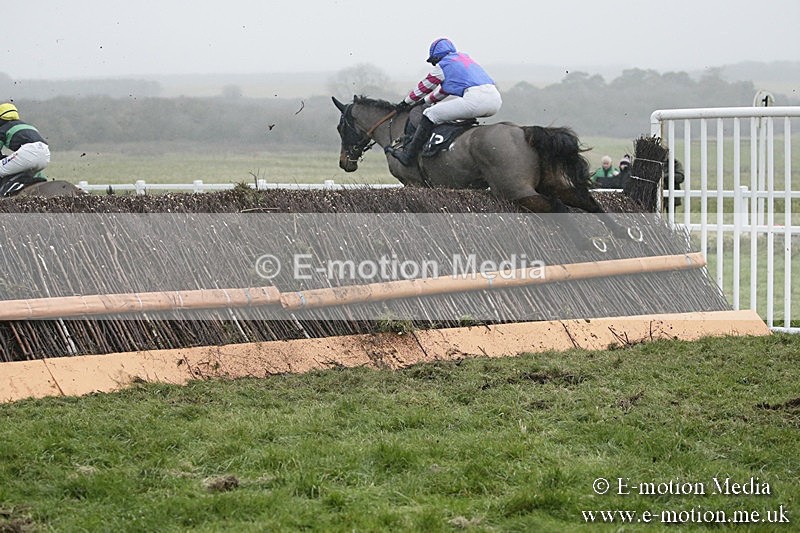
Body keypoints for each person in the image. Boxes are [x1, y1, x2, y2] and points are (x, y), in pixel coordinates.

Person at [385, 38, 502, 167]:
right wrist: (425, 101)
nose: (435, 65)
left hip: (475, 100)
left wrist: (405, 103)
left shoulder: (443, 65)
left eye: (434, 62)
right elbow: (444, 91)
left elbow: (424, 87)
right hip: (495, 100)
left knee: (429, 113)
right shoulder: (463, 59)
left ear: (437, 57)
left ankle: (408, 156)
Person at [0, 103, 50, 193]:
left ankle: (7, 194)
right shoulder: (27, 125)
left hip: (28, 151)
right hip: (45, 153)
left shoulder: (3, 128)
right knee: (30, 169)